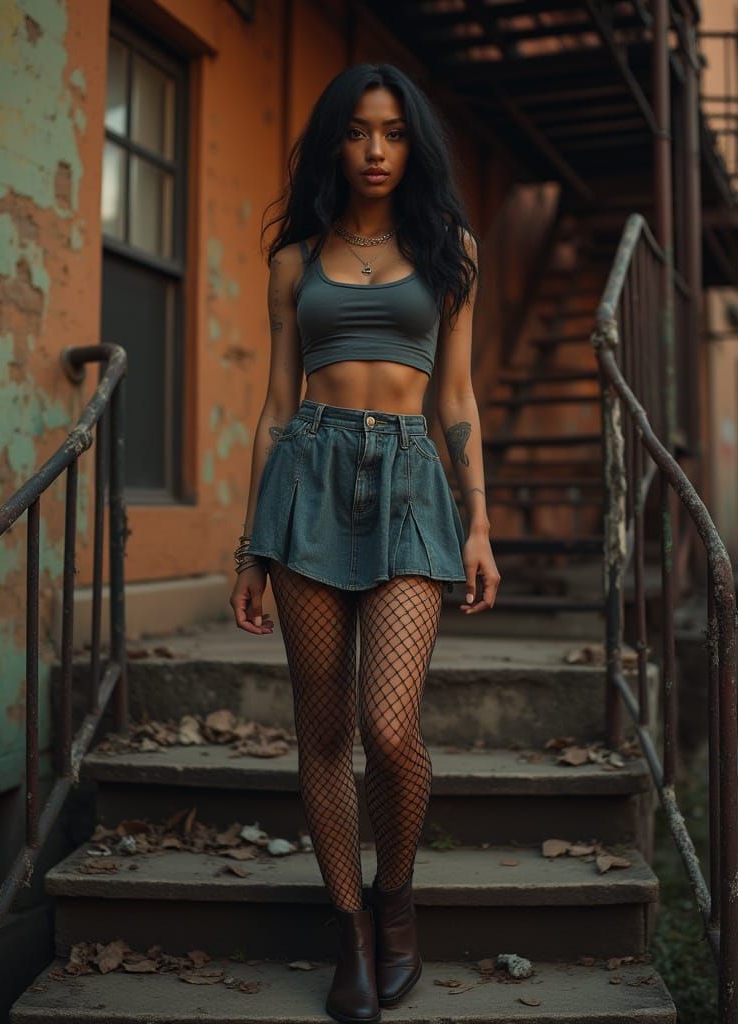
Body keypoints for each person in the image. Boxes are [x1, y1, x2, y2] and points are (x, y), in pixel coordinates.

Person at [229, 62, 500, 1024]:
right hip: (307, 478)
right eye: (357, 132)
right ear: (334, 144)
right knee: (324, 731)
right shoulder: (295, 260)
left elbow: (457, 398)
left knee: (389, 731)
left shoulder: (447, 249)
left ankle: (398, 900)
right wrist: (249, 544)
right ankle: (347, 933)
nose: (376, 150)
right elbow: (272, 405)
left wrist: (478, 520)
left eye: (391, 132)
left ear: (411, 141)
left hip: (412, 487)